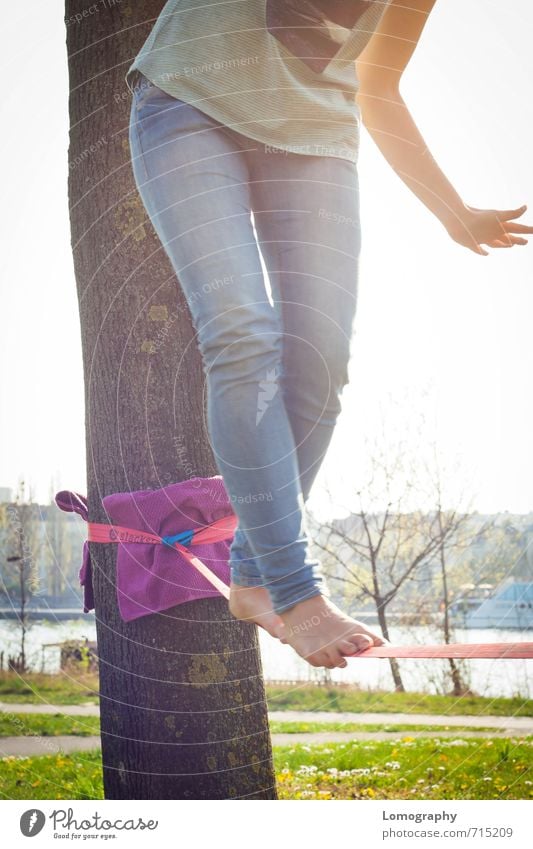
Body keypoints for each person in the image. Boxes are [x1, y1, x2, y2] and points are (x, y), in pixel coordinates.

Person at [126, 1, 532, 670]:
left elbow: (378, 86)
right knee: (242, 335)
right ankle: (294, 589)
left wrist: (450, 210)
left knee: (320, 363)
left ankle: (253, 575)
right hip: (189, 105)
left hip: (315, 135)